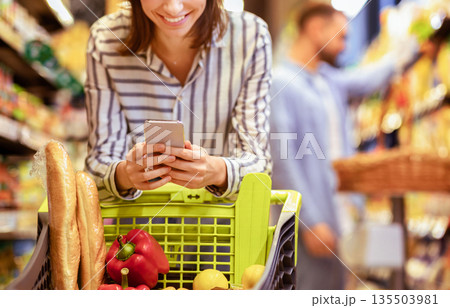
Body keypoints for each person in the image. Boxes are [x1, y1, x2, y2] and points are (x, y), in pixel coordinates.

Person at [270, 2, 419, 289]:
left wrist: (412, 44)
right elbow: (282, 158)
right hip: (308, 227)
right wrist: (310, 222)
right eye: (340, 37)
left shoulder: (326, 80)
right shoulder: (281, 82)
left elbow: (366, 80)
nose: (344, 46)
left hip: (338, 219)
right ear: (315, 30)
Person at [84, 0, 272, 202]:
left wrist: (217, 171)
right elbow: (95, 169)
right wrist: (125, 174)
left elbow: (260, 168)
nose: (173, 8)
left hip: (224, 224)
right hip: (137, 226)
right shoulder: (106, 38)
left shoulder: (250, 36)